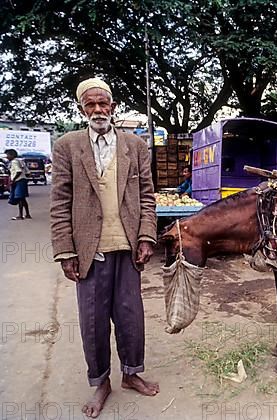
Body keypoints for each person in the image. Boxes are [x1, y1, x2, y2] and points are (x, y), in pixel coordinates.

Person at [50, 77, 159, 418]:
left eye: (103, 103)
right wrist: (66, 251)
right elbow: (60, 202)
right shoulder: (68, 145)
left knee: (131, 316)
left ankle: (131, 373)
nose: (98, 109)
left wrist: (145, 237)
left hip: (126, 246)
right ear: (82, 108)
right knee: (93, 321)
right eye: (90, 104)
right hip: (88, 251)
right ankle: (101, 382)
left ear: (112, 106)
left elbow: (147, 197)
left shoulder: (134, 145)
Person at [5, 148, 32, 220]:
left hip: (18, 181)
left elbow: (18, 171)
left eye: (8, 155)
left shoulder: (14, 162)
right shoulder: (21, 161)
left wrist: (13, 180)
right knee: (23, 198)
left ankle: (20, 215)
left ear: (12, 155)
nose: (7, 157)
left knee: (19, 198)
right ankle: (27, 214)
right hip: (23, 180)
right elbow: (28, 173)